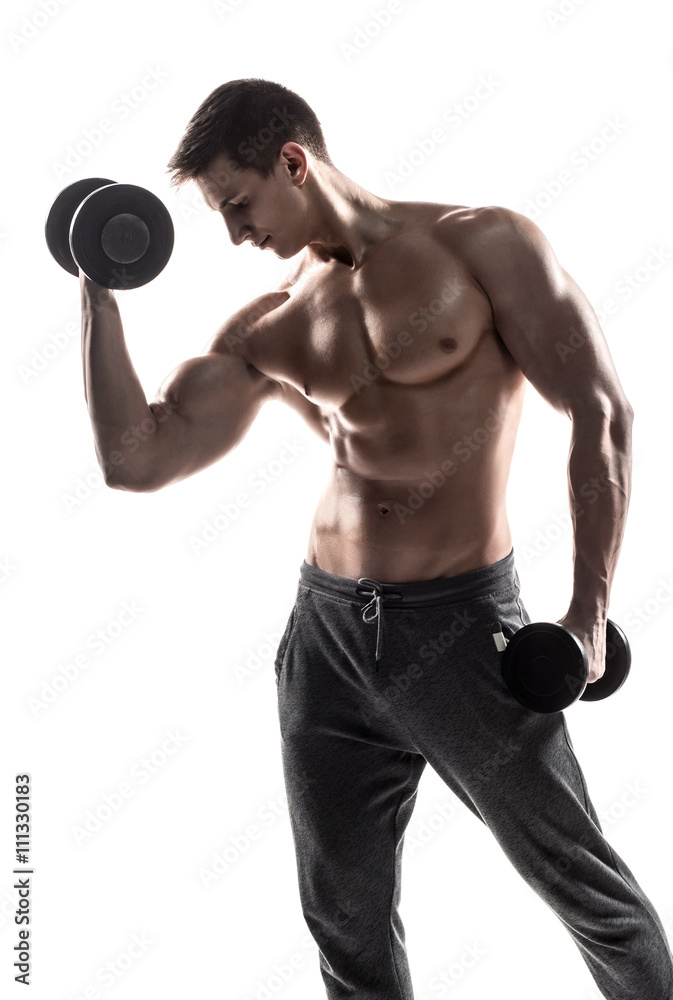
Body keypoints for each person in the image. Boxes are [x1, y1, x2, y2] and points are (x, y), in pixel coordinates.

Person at [79, 78, 673, 999]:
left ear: (292, 161)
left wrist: (588, 611)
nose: (235, 235)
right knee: (345, 924)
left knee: (584, 888)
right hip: (324, 639)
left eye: (237, 205)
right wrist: (98, 292)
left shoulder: (482, 244)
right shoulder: (269, 322)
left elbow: (601, 411)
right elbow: (136, 459)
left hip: (462, 632)